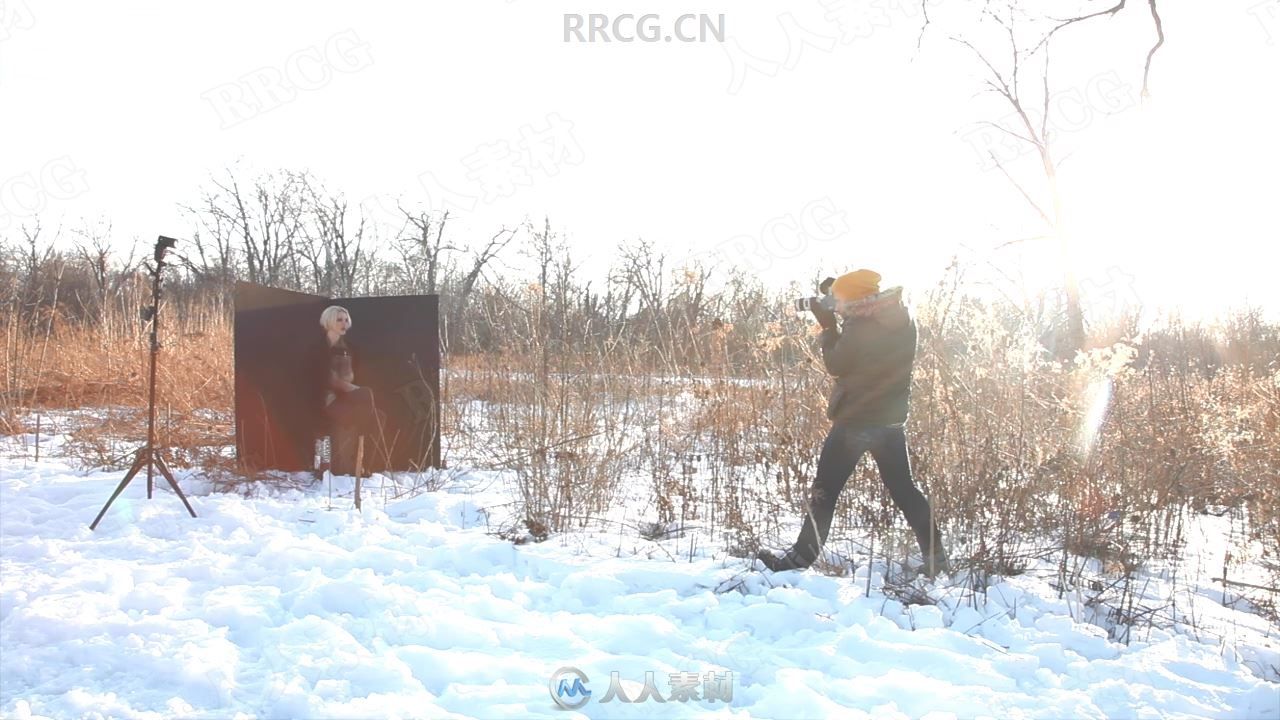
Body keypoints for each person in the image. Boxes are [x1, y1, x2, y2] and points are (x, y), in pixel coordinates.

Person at [757, 269, 949, 576]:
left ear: (858, 301)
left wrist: (828, 324)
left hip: (855, 424)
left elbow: (837, 363)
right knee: (905, 491)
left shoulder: (861, 327)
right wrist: (841, 298)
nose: (837, 303)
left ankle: (798, 560)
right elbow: (868, 343)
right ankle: (937, 557)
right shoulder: (901, 318)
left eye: (842, 299)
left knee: (825, 491)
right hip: (890, 423)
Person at [313, 305, 387, 474]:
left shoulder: (350, 348)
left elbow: (355, 375)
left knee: (380, 417)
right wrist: (357, 391)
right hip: (326, 400)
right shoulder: (319, 348)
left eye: (346, 320)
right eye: (339, 320)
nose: (344, 324)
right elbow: (328, 380)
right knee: (366, 394)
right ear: (328, 321)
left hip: (347, 399)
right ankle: (356, 461)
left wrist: (356, 391)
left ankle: (365, 464)